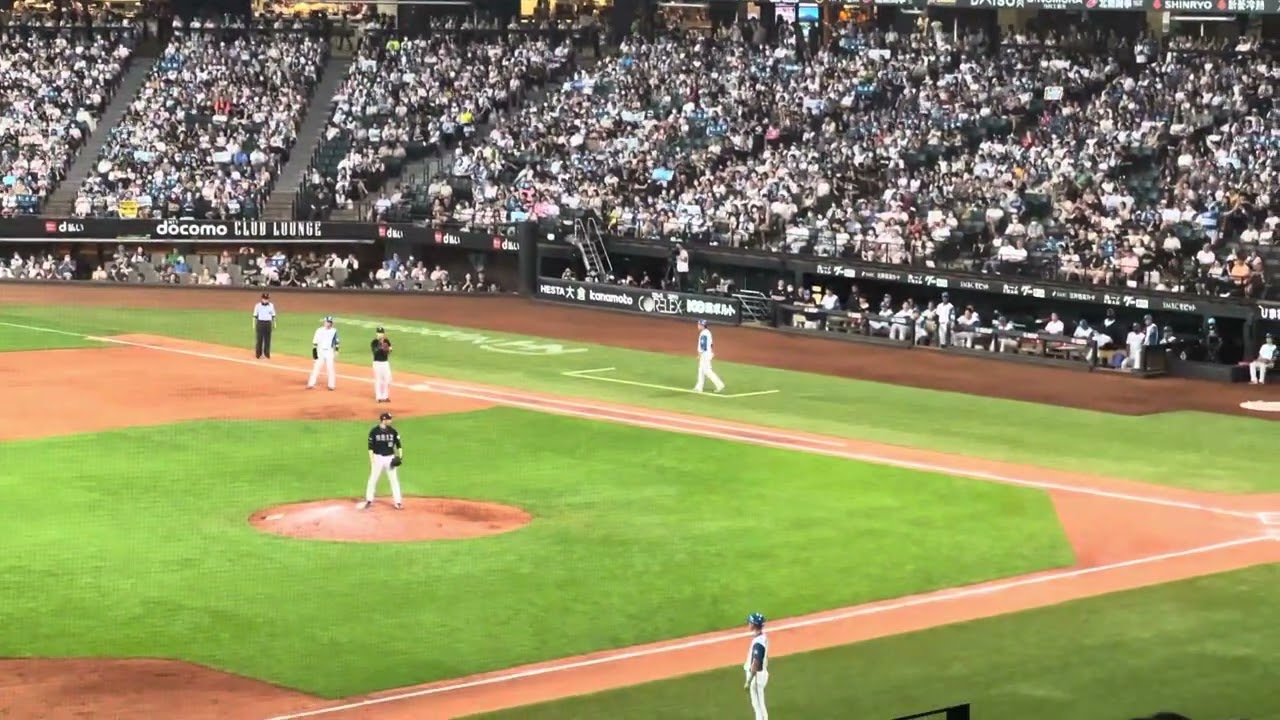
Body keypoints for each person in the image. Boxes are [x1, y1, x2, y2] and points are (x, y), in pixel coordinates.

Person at [360, 412, 403, 509]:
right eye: (389, 419)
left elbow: (399, 445)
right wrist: (372, 460)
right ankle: (369, 499)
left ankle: (398, 502)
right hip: (377, 458)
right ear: (384, 420)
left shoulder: (393, 431)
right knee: (373, 479)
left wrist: (400, 457)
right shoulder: (374, 432)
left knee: (394, 480)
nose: (391, 421)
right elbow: (370, 447)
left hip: (390, 458)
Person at [743, 612, 769, 720]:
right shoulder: (762, 637)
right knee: (758, 705)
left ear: (754, 625)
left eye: (750, 622)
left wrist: (748, 681)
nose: (748, 624)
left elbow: (756, 663)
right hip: (759, 675)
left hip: (756, 677)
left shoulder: (758, 642)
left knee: (759, 707)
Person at [306, 316, 340, 390]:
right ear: (324, 322)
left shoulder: (334, 331)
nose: (329, 324)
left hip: (329, 352)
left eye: (330, 322)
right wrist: (314, 353)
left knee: (330, 368)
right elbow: (315, 342)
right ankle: (311, 384)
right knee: (316, 368)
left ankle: (331, 385)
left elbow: (337, 342)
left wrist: (336, 350)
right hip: (320, 351)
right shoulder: (319, 330)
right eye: (328, 322)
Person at [693, 319, 725, 393]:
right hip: (708, 353)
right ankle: (699, 387)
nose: (698, 326)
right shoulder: (708, 332)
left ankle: (719, 385)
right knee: (701, 370)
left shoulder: (703, 334)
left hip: (704, 355)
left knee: (707, 371)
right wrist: (711, 352)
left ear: (702, 325)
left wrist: (699, 355)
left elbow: (703, 346)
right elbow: (711, 344)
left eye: (699, 324)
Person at [370, 325, 393, 403]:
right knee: (378, 380)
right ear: (376, 333)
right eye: (379, 332)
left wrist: (387, 349)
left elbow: (390, 350)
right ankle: (379, 397)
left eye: (381, 333)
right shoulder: (374, 342)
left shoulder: (386, 341)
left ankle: (385, 396)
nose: (380, 334)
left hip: (385, 363)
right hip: (377, 363)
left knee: (388, 379)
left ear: (383, 334)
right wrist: (381, 347)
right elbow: (375, 352)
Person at [252, 292, 276, 359]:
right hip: (260, 323)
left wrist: (274, 324)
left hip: (268, 323)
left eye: (267, 299)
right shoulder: (257, 306)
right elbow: (254, 316)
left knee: (268, 339)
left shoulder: (271, 305)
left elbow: (273, 315)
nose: (266, 300)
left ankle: (267, 354)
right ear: (262, 299)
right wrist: (254, 325)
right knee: (259, 339)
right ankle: (258, 354)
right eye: (264, 299)